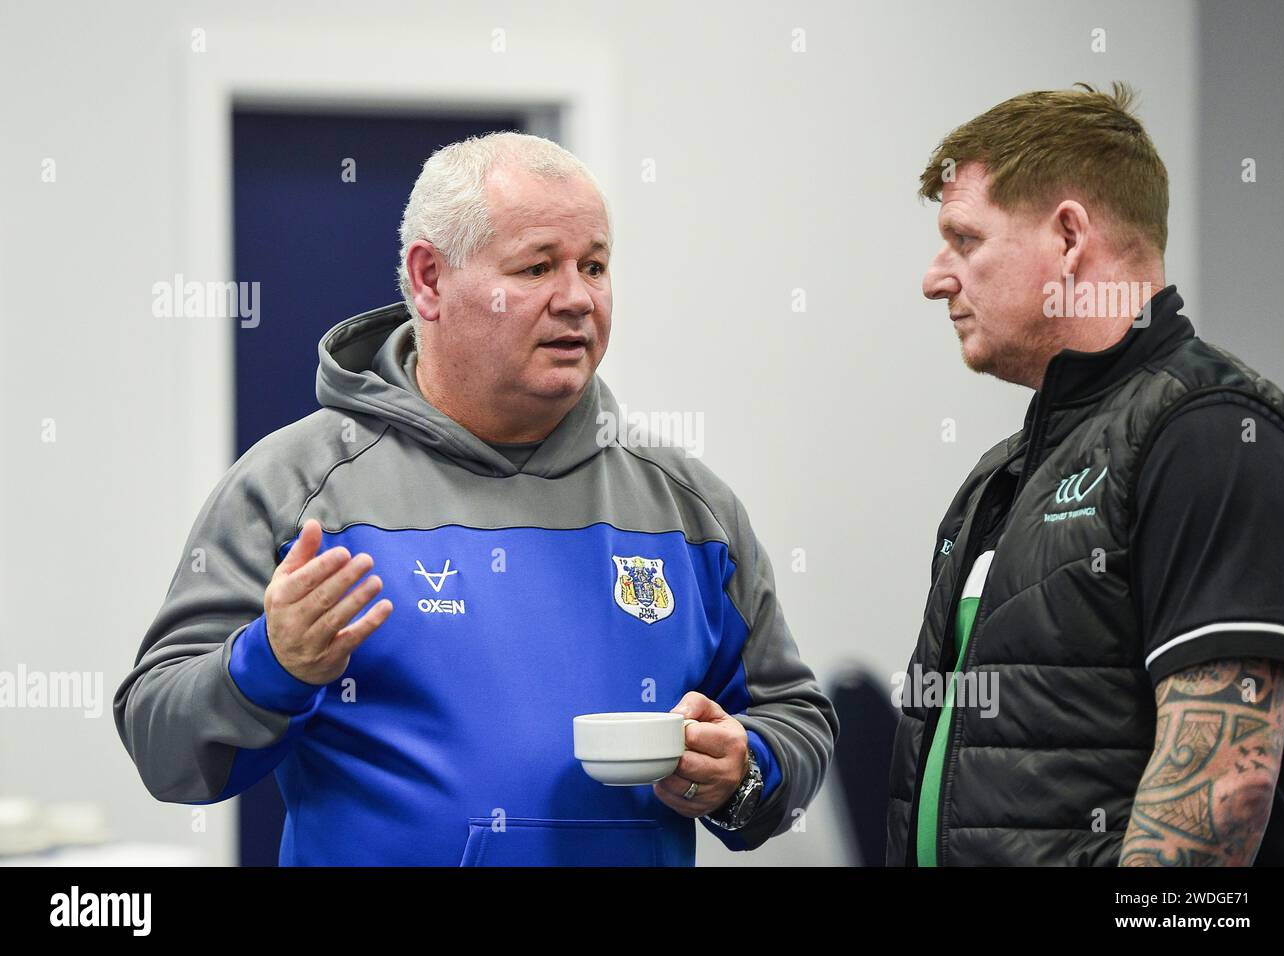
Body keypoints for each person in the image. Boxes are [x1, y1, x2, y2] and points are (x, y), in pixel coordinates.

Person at [114, 131, 838, 866]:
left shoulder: (689, 509)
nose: (578, 299)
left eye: (595, 265)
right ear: (429, 280)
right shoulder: (294, 490)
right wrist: (269, 664)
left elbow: (795, 716)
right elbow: (160, 743)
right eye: (537, 267)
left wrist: (744, 770)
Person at [887, 84, 1284, 866]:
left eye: (965, 240)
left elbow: (1218, 808)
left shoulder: (1212, 434)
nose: (935, 279)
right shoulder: (1001, 475)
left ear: (1069, 236)